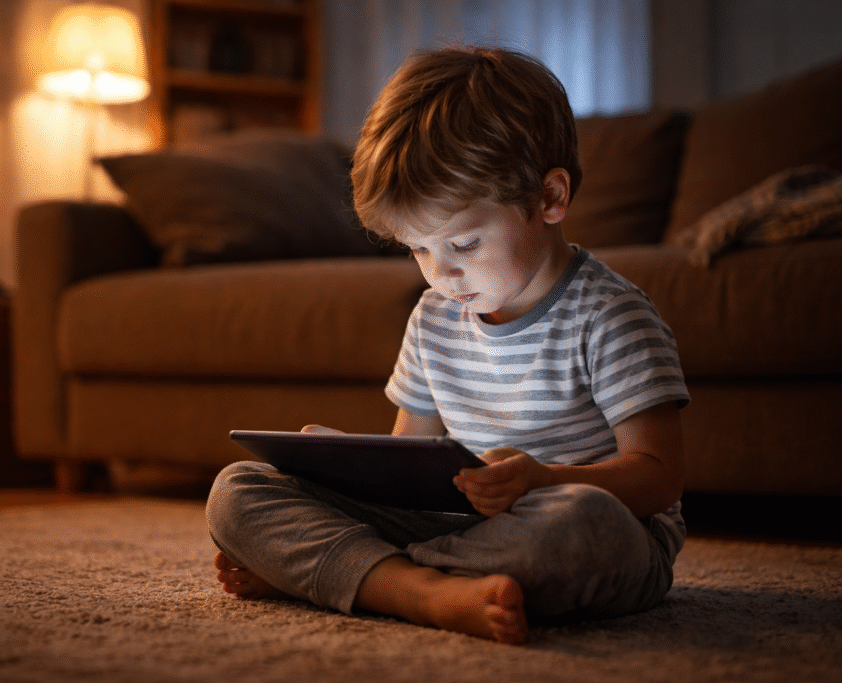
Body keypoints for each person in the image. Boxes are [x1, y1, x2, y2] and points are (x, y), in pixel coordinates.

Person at [205, 46, 690, 645]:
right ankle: (427, 591)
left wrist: (541, 481)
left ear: (549, 199)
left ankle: (356, 575)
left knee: (581, 523)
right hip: (452, 527)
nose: (442, 275)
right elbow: (409, 466)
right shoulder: (434, 317)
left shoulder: (610, 315)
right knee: (237, 491)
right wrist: (345, 469)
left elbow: (660, 478)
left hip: (583, 530)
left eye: (463, 245)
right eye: (419, 249)